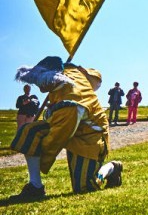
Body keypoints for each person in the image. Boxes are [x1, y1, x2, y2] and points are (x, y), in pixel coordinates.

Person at [8, 56, 122, 201]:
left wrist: (40, 157)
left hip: (89, 136)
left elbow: (57, 138)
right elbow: (96, 77)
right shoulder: (70, 71)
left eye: (42, 81)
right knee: (30, 132)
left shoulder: (71, 103)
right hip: (68, 123)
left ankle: (112, 168)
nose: (40, 86)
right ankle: (35, 186)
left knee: (86, 186)